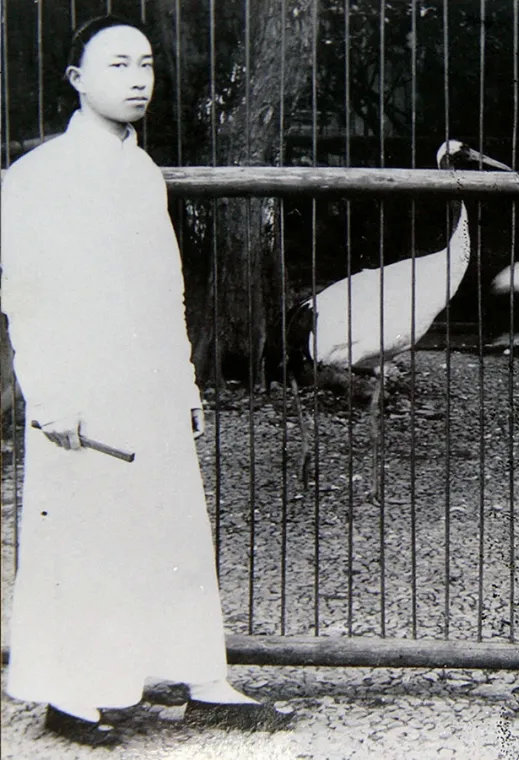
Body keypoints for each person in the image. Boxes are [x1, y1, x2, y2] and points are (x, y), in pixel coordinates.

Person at [1, 15, 291, 747]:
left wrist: (185, 384)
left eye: (147, 65)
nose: (137, 80)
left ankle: (202, 678)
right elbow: (26, 298)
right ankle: (74, 696)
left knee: (169, 529)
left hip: (150, 381)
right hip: (82, 389)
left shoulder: (142, 171)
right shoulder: (39, 177)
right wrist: (52, 399)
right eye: (118, 65)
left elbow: (166, 290)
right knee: (85, 537)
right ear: (77, 80)